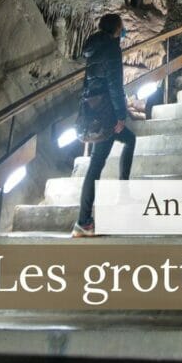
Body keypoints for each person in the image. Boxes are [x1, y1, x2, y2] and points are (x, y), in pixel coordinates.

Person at [73, 13, 136, 237]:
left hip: (93, 111)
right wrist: (121, 115)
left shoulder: (94, 48)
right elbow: (115, 85)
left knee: (129, 139)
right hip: (106, 114)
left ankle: (123, 191)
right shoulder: (111, 48)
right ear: (116, 29)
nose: (124, 30)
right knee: (96, 165)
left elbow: (90, 83)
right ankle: (83, 221)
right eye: (122, 27)